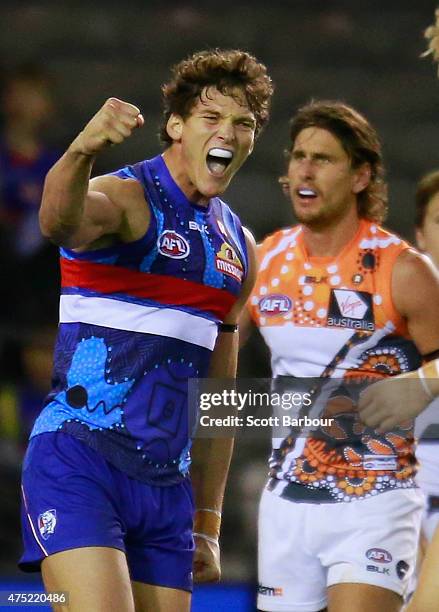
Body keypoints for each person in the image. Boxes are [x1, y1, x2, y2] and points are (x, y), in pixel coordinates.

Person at [19, 49, 273, 612]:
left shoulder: (239, 249)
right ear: (176, 127)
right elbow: (59, 221)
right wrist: (83, 149)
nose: (228, 132)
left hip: (166, 488)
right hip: (79, 459)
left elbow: (221, 401)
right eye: (212, 118)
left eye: (243, 123)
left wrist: (207, 519)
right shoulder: (128, 197)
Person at [240, 100, 439, 612]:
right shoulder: (264, 261)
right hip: (285, 505)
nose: (304, 169)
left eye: (323, 158)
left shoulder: (404, 271)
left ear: (360, 176)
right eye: (298, 156)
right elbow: (211, 354)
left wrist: (422, 383)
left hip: (374, 500)